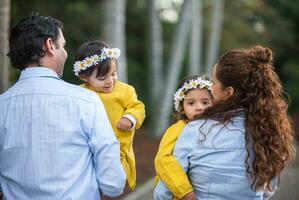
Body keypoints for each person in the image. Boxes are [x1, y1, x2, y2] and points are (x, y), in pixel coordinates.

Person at [0, 13, 126, 199]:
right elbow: (113, 184)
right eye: (63, 46)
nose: (66, 53)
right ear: (50, 46)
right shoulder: (86, 101)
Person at [154, 45, 295, 199]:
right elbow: (268, 189)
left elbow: (164, 190)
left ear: (228, 92)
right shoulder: (267, 132)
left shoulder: (194, 130)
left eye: (214, 82)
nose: (210, 87)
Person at [73, 40, 146, 190]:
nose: (110, 81)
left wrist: (130, 117)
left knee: (112, 183)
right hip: (88, 149)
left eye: (113, 74)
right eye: (102, 78)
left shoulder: (124, 90)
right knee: (89, 182)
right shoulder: (79, 93)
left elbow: (138, 107)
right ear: (84, 77)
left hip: (117, 148)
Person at [154, 75, 213, 200]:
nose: (199, 107)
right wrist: (185, 191)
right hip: (180, 193)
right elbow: (162, 159)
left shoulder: (216, 128)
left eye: (205, 102)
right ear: (182, 108)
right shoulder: (178, 129)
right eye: (191, 103)